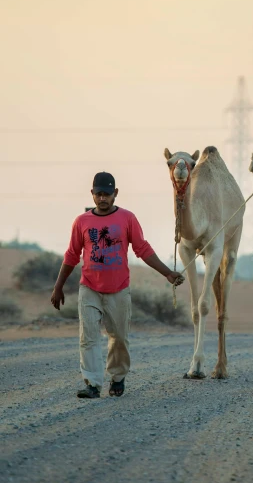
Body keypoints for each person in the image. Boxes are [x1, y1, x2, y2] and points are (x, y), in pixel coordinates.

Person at [51, 171, 184, 399]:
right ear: (92, 194)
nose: (103, 199)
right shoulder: (82, 222)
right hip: (89, 288)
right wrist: (58, 286)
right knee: (89, 336)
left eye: (107, 194)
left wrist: (168, 273)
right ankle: (92, 383)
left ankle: (118, 377)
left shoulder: (127, 219)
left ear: (116, 194)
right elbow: (72, 255)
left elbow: (142, 249)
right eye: (99, 194)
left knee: (119, 337)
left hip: (119, 289)